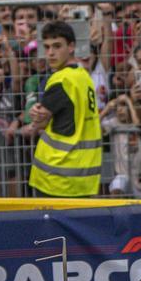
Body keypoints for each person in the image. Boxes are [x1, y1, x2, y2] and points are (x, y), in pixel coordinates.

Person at [28, 21, 102, 197]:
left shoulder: (61, 80)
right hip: (84, 177)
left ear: (71, 47)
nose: (50, 53)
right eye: (46, 47)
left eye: (57, 46)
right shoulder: (83, 75)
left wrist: (36, 116)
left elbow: (40, 121)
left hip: (56, 176)